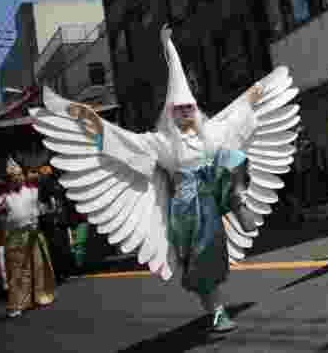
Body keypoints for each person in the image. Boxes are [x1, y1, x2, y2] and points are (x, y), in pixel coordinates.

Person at [29, 26, 299, 335]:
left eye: (189, 108)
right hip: (187, 207)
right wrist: (86, 119)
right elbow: (122, 144)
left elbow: (239, 115)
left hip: (213, 197)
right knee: (202, 262)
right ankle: (217, 310)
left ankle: (239, 207)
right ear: (170, 113)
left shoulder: (210, 133)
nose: (185, 114)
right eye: (179, 109)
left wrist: (258, 91)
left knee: (230, 159)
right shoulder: (161, 143)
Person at [0, 156, 57, 317]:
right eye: (14, 176)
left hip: (34, 234)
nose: (18, 178)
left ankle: (40, 296)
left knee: (38, 266)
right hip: (15, 237)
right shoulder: (2, 199)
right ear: (8, 180)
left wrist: (50, 205)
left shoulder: (32, 191)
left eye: (20, 175)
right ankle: (17, 304)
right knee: (17, 272)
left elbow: (43, 207)